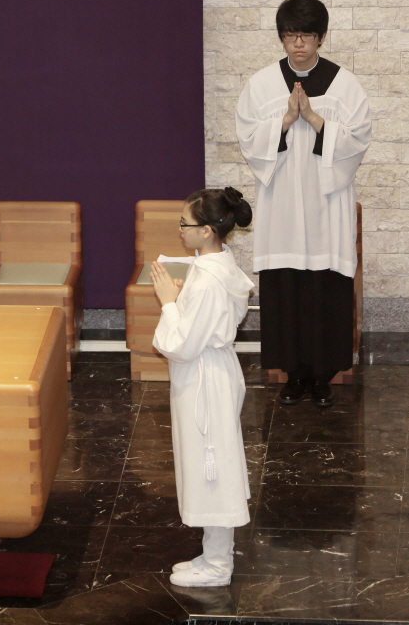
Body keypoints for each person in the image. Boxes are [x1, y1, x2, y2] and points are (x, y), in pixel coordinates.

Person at [235, 0, 372, 407]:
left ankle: (323, 376)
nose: (299, 44)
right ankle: (293, 376)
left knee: (325, 288)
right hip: (282, 206)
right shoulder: (262, 84)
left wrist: (313, 118)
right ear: (281, 37)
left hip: (326, 206)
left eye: (307, 36)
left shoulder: (345, 84)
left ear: (321, 37)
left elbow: (357, 141)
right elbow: (248, 139)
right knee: (287, 286)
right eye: (291, 35)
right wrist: (285, 120)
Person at [150, 188, 256, 588]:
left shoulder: (209, 280)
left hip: (204, 379)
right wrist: (182, 300)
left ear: (208, 230)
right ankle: (213, 553)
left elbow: (182, 344)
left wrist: (168, 302)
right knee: (210, 462)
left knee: (212, 468)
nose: (180, 229)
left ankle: (217, 566)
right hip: (210, 372)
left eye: (185, 223)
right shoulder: (216, 263)